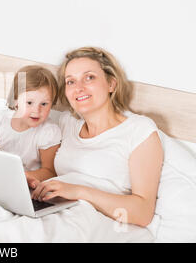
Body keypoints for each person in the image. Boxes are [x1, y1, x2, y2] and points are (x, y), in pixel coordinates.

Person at [31, 47, 164, 227]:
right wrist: (33, 180)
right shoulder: (67, 123)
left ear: (111, 84)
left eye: (89, 77)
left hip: (92, 221)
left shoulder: (139, 130)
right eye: (70, 81)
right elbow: (55, 174)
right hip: (53, 209)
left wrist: (78, 191)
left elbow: (143, 213)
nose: (78, 88)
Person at [0, 65, 62, 185]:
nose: (36, 110)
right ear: (16, 101)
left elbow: (50, 172)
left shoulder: (48, 132)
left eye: (44, 104)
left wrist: (21, 176)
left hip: (24, 182)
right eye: (29, 103)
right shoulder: (1, 120)